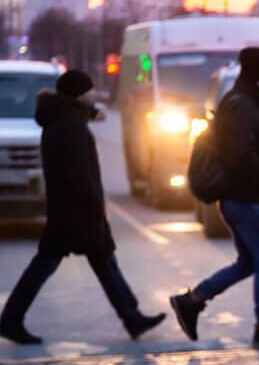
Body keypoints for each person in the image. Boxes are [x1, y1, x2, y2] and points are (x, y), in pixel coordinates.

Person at [0, 71, 164, 345]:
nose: (93, 94)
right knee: (53, 265)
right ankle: (11, 319)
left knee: (102, 263)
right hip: (76, 212)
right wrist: (95, 210)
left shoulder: (63, 120)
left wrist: (90, 115)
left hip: (68, 210)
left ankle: (132, 317)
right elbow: (80, 174)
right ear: (79, 95)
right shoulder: (70, 126)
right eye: (89, 90)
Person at [168, 47, 259, 348]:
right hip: (247, 198)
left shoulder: (239, 100)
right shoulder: (242, 105)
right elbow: (241, 156)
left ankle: (192, 301)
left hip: (242, 198)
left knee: (249, 263)